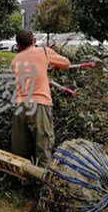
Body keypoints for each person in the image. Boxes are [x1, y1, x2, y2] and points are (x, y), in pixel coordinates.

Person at [10, 30, 70, 168]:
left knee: (20, 149)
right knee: (43, 146)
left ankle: (22, 182)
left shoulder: (15, 61)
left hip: (20, 106)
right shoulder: (43, 52)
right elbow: (66, 63)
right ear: (34, 40)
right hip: (39, 104)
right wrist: (53, 66)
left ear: (18, 46)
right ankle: (43, 184)